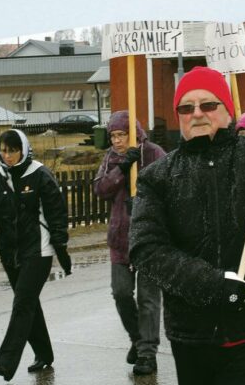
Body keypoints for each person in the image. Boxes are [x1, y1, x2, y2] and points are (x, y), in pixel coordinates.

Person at [129, 50, 245, 385]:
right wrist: (213, 284)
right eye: (186, 107)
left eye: (208, 104)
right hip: (192, 334)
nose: (197, 113)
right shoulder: (157, 176)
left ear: (227, 111)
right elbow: (147, 249)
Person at [0, 129, 70, 381]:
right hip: (10, 253)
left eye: (12, 150)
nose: (7, 155)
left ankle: (6, 362)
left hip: (38, 250)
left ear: (24, 149)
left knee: (22, 304)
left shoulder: (40, 174)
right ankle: (44, 354)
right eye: (3, 150)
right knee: (29, 304)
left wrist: (61, 247)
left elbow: (57, 213)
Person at [93, 110, 166, 375]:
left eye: (121, 135)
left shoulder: (154, 154)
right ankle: (137, 338)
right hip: (120, 238)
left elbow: (169, 189)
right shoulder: (111, 159)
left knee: (148, 299)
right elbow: (100, 189)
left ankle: (147, 353)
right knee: (121, 293)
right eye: (113, 136)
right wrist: (122, 169)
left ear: (134, 133)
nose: (117, 141)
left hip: (149, 240)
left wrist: (145, 201)